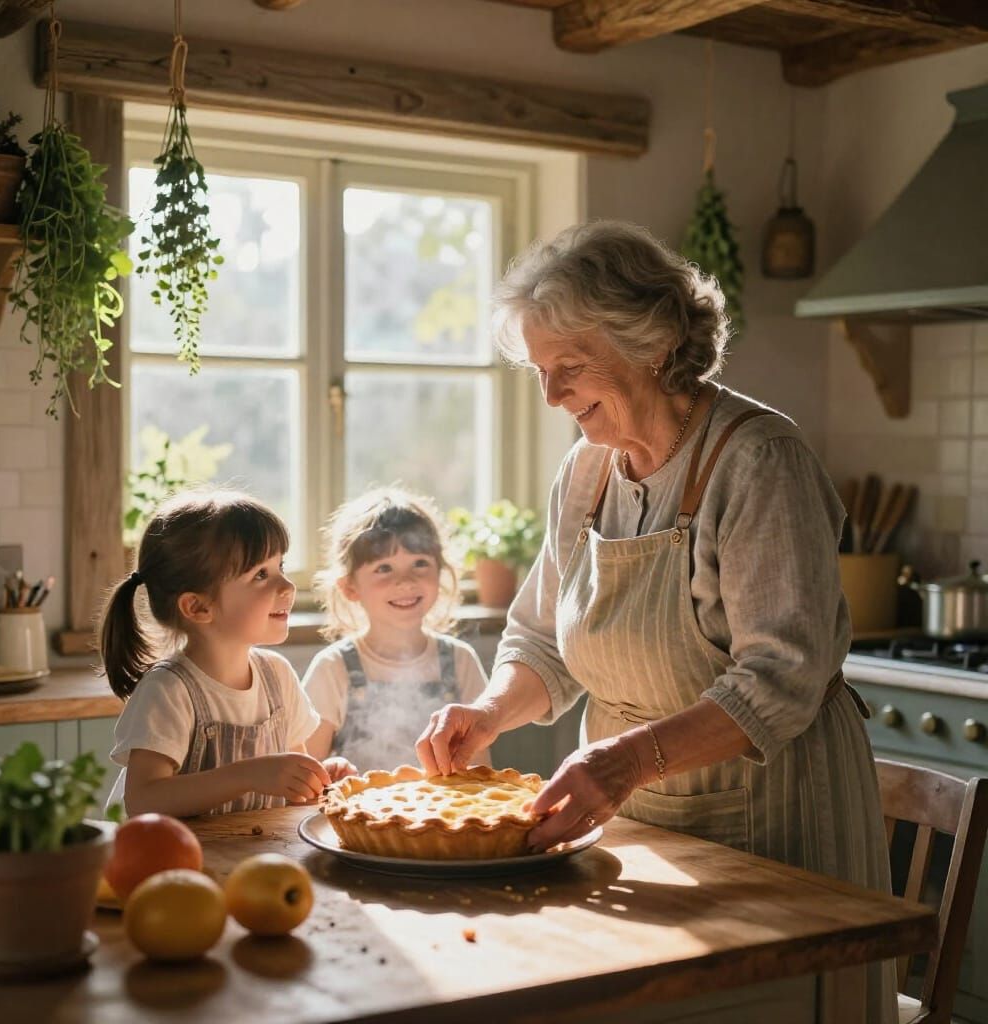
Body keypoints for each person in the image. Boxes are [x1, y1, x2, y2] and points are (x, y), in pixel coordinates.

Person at [416, 221, 894, 1023]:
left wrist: (628, 760)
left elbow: (781, 681)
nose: (551, 396)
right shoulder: (588, 468)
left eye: (568, 368)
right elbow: (542, 637)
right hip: (641, 824)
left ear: (653, 342)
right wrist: (491, 712)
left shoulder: (757, 461)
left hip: (772, 828)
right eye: (540, 371)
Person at [100, 489, 354, 817]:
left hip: (251, 856)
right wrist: (247, 775)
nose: (287, 587)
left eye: (280, 567)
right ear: (198, 606)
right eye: (261, 575)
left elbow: (294, 794)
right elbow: (144, 800)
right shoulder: (168, 690)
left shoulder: (278, 676)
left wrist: (319, 781)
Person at [303, 487, 490, 774]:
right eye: (384, 568)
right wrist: (330, 773)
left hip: (443, 817)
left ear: (440, 572)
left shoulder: (461, 661)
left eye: (420, 564)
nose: (405, 581)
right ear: (350, 587)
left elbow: (480, 774)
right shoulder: (331, 669)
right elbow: (307, 779)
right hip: (359, 817)